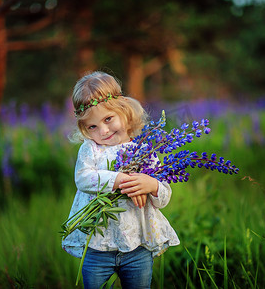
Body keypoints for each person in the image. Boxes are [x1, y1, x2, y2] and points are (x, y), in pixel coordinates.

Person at [62, 71, 180, 289]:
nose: (103, 131)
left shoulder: (144, 150)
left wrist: (151, 184)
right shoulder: (91, 149)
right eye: (92, 127)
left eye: (108, 119)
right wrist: (119, 179)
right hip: (97, 246)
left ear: (124, 110)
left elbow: (163, 197)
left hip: (138, 246)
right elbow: (83, 178)